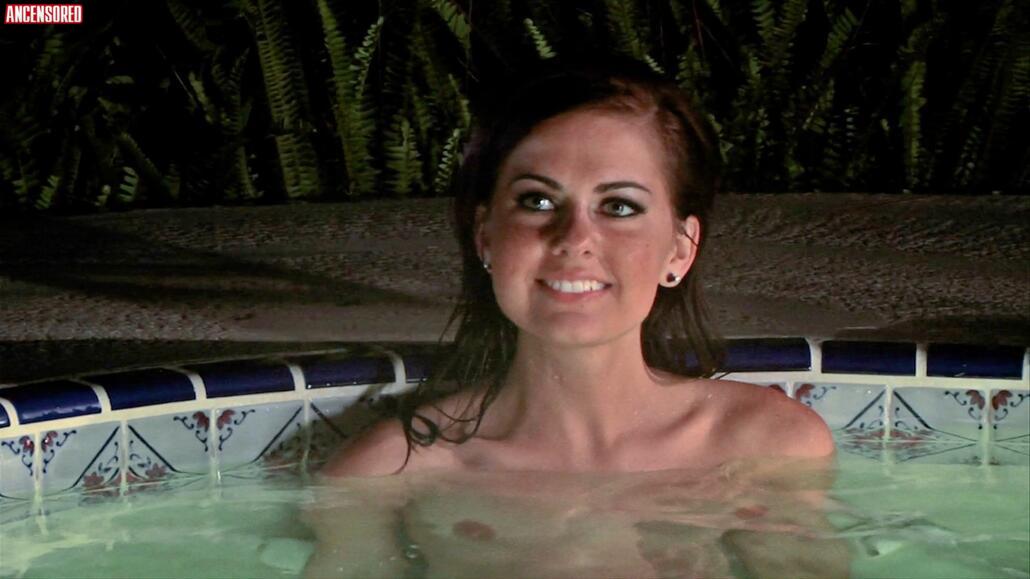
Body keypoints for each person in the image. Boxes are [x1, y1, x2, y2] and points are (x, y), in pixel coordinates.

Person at [307, 57, 847, 579]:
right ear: (485, 236)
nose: (574, 240)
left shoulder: (765, 447)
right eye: (537, 201)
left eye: (619, 207)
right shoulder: (391, 474)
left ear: (679, 251)